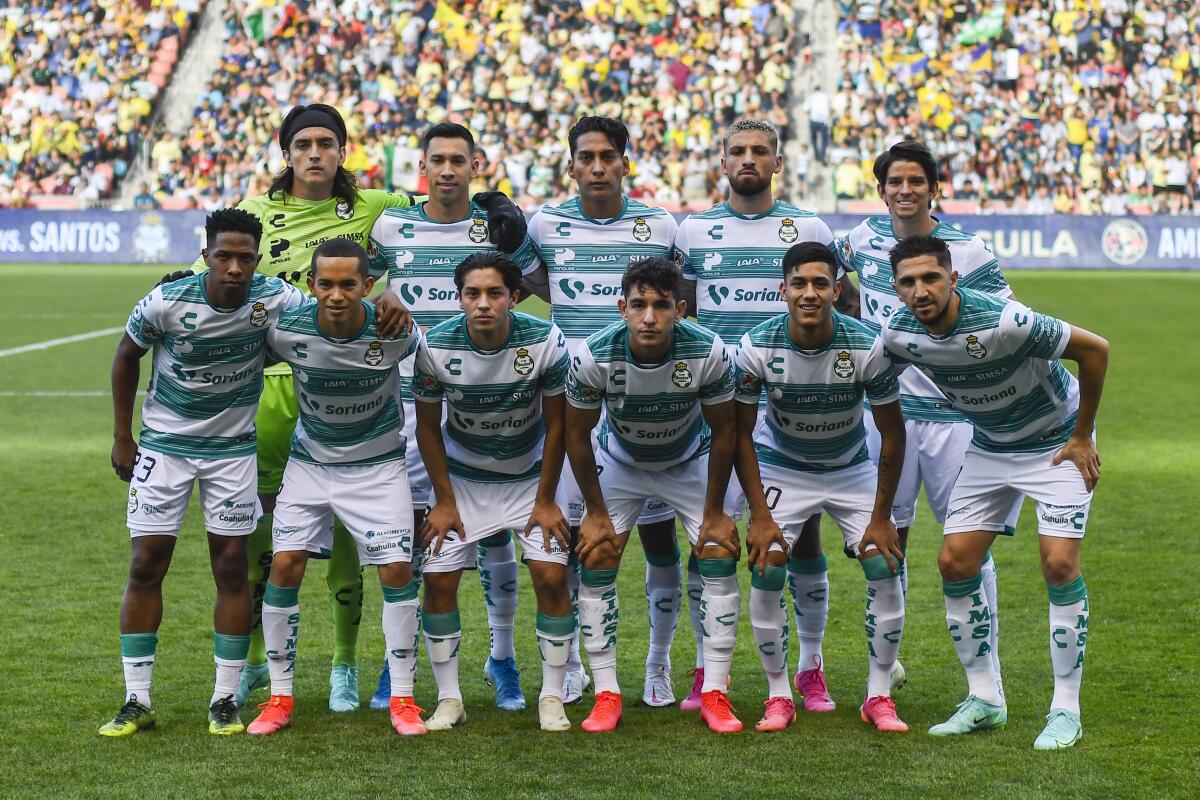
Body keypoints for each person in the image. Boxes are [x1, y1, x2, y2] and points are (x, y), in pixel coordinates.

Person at [161, 103, 526, 712]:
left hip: (379, 385)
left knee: (376, 537)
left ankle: (350, 667)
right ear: (285, 152)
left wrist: (494, 200)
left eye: (325, 143)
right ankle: (254, 661)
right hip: (271, 385)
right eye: (301, 143)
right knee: (266, 535)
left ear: (342, 150)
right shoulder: (252, 214)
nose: (313, 154)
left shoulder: (378, 210)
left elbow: (444, 201)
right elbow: (215, 277)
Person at [881, 235, 1108, 750]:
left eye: (931, 278)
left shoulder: (1008, 320)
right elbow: (872, 380)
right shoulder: (898, 335)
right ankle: (986, 699)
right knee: (956, 562)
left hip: (1056, 445)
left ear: (953, 278)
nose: (921, 291)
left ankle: (1065, 709)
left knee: (1058, 564)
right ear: (895, 289)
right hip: (990, 448)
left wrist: (1081, 435)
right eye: (908, 282)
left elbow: (1095, 351)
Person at [101, 209, 305, 737]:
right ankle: (136, 698)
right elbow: (127, 356)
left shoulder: (275, 298)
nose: (234, 267)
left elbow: (336, 307)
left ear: (257, 259)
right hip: (165, 448)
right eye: (224, 256)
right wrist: (124, 435)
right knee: (147, 562)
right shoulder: (169, 300)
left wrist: (385, 301)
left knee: (233, 566)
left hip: (232, 451)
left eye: (245, 257)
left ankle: (224, 699)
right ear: (207, 255)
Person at [365, 122, 541, 712]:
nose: (447, 170)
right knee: (421, 540)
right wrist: (378, 294)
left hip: (490, 404)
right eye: (437, 160)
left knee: (497, 546)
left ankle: (502, 660)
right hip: (413, 406)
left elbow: (536, 288)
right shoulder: (393, 225)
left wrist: (516, 245)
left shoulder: (490, 225)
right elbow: (350, 281)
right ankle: (401, 667)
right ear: (423, 165)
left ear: (475, 164)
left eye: (457, 161)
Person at [837, 140, 1013, 696]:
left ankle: (985, 672)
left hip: (955, 418)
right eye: (895, 182)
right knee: (888, 538)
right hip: (885, 414)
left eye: (917, 181)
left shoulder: (969, 250)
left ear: (934, 188)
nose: (905, 190)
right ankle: (886, 666)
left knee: (969, 545)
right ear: (882, 188)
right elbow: (824, 277)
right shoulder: (860, 240)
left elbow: (1005, 319)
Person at [676, 118, 837, 713]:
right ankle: (704, 667)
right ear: (722, 163)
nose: (748, 159)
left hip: (790, 406)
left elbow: (834, 306)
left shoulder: (809, 227)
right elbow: (682, 308)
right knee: (707, 534)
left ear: (777, 163)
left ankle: (810, 669)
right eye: (737, 151)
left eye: (759, 151)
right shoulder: (694, 230)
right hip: (714, 407)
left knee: (804, 534)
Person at [526, 116, 683, 707]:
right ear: (571, 166)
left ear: (624, 164)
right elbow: (534, 279)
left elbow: (675, 298)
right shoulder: (546, 222)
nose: (597, 166)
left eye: (607, 157)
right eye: (586, 157)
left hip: (648, 402)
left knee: (661, 541)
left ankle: (658, 665)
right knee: (575, 539)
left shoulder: (659, 224)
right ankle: (568, 669)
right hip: (575, 405)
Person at [246, 238, 424, 737]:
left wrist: (398, 298)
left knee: (394, 571)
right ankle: (280, 697)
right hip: (311, 466)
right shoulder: (287, 331)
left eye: (350, 284)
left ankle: (404, 700)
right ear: (311, 285)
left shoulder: (395, 332)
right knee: (284, 564)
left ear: (367, 285)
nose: (337, 294)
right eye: (326, 284)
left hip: (378, 467)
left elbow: (434, 367)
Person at [733, 242, 909, 733]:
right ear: (782, 290)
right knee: (767, 564)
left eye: (819, 284)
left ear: (836, 289)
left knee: (882, 560)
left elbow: (893, 434)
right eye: (798, 284)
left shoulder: (865, 344)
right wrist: (759, 515)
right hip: (783, 467)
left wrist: (880, 516)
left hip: (850, 467)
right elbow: (739, 434)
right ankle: (778, 694)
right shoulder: (757, 346)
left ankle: (878, 695)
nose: (808, 293)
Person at [564, 257, 742, 734]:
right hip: (621, 463)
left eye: (661, 306)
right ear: (622, 307)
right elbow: (575, 436)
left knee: (718, 549)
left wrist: (714, 511)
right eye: (638, 305)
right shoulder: (593, 355)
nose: (649, 317)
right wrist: (596, 513)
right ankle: (606, 693)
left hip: (688, 461)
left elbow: (726, 431)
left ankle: (716, 693)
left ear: (679, 309)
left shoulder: (708, 351)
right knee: (597, 553)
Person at [412, 252, 575, 732]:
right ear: (459, 297)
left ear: (515, 297)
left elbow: (559, 423)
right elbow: (426, 429)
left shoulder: (544, 339)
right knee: (438, 580)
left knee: (550, 577)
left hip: (529, 480)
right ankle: (449, 699)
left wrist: (546, 499)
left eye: (495, 293)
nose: (483, 304)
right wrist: (443, 501)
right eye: (472, 294)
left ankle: (551, 696)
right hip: (463, 481)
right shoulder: (435, 346)